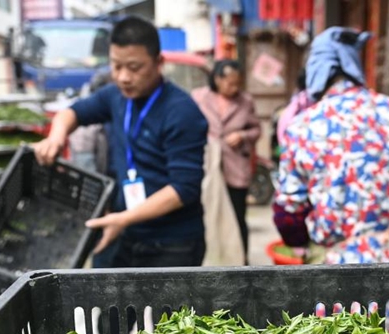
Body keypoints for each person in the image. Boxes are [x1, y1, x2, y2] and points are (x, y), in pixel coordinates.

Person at [33, 16, 209, 268]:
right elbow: (71, 113)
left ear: (159, 63)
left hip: (171, 241)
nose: (124, 77)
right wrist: (56, 136)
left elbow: (184, 188)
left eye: (134, 68)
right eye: (116, 66)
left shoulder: (182, 112)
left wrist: (124, 218)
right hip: (122, 229)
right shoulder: (115, 96)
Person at [273, 27, 389, 265]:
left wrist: (302, 241)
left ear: (316, 69)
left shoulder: (304, 126)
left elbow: (288, 212)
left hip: (344, 268)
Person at [191, 61, 261, 264]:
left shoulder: (245, 101)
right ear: (217, 79)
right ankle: (211, 259)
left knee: (238, 216)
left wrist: (242, 135)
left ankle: (241, 261)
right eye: (230, 83)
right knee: (208, 214)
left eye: (237, 83)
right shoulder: (199, 97)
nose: (234, 88)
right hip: (207, 165)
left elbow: (256, 130)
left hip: (235, 165)